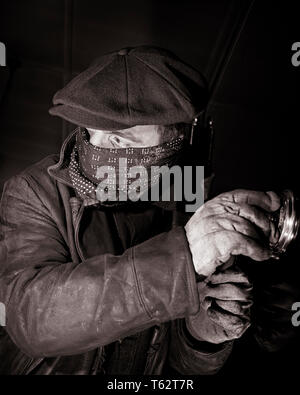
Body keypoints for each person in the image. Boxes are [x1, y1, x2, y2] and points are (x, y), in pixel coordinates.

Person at [0, 46, 280, 375]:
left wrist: (201, 339)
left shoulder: (187, 204)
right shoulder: (36, 191)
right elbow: (29, 316)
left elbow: (172, 368)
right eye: (91, 131)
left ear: (175, 139)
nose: (98, 150)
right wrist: (182, 259)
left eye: (122, 140)